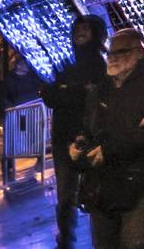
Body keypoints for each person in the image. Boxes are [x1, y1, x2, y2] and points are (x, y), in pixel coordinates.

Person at [73, 27, 144, 249]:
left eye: (121, 52)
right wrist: (81, 141)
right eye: (111, 53)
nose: (113, 58)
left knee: (135, 242)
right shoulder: (103, 87)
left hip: (139, 177)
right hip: (102, 179)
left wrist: (112, 147)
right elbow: (89, 122)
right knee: (105, 243)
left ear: (139, 52)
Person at [42, 13, 109, 249]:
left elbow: (92, 95)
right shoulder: (65, 65)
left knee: (96, 190)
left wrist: (67, 92)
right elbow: (49, 94)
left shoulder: (101, 65)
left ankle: (103, 238)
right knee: (65, 195)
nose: (79, 33)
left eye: (85, 29)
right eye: (76, 29)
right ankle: (66, 238)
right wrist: (77, 91)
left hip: (89, 135)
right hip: (63, 137)